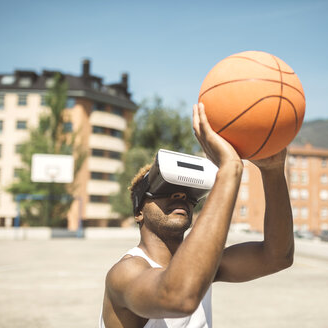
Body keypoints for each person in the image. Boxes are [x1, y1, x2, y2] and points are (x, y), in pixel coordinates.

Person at [100, 103, 294, 328]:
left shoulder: (203, 269)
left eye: (189, 193)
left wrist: (273, 171)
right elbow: (179, 297)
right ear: (138, 212)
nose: (180, 194)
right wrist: (230, 168)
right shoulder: (126, 272)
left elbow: (278, 256)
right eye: (164, 188)